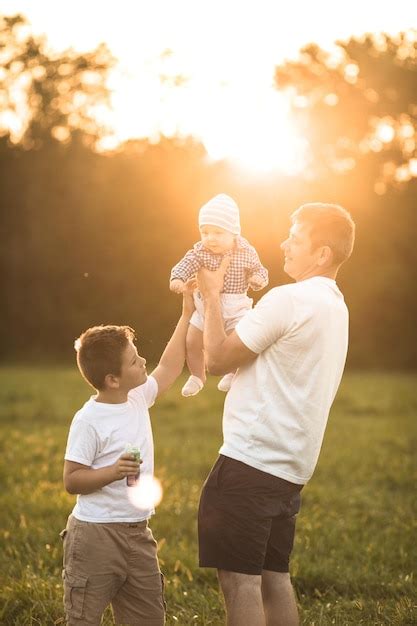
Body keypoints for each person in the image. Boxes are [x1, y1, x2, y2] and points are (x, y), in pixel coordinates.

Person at [196, 203, 356, 626]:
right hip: (289, 469)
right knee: (273, 579)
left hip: (251, 462)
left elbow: (216, 359)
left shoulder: (288, 299)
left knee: (240, 583)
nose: (284, 244)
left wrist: (211, 294)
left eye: (296, 239)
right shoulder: (336, 308)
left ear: (322, 254)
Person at [60, 285, 194, 626]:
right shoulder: (89, 420)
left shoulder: (136, 397)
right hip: (95, 537)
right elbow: (72, 480)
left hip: (137, 533)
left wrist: (187, 313)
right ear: (112, 379)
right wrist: (112, 471)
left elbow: (169, 365)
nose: (143, 361)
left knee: (148, 617)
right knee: (84, 617)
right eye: (134, 360)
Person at [170, 193, 268, 397]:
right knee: (191, 342)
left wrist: (257, 280)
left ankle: (232, 373)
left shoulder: (246, 252)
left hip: (235, 306)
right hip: (204, 305)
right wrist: (177, 279)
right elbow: (185, 264)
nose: (210, 238)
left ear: (234, 233)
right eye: (204, 232)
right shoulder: (200, 252)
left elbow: (260, 270)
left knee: (235, 343)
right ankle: (197, 376)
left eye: (217, 232)